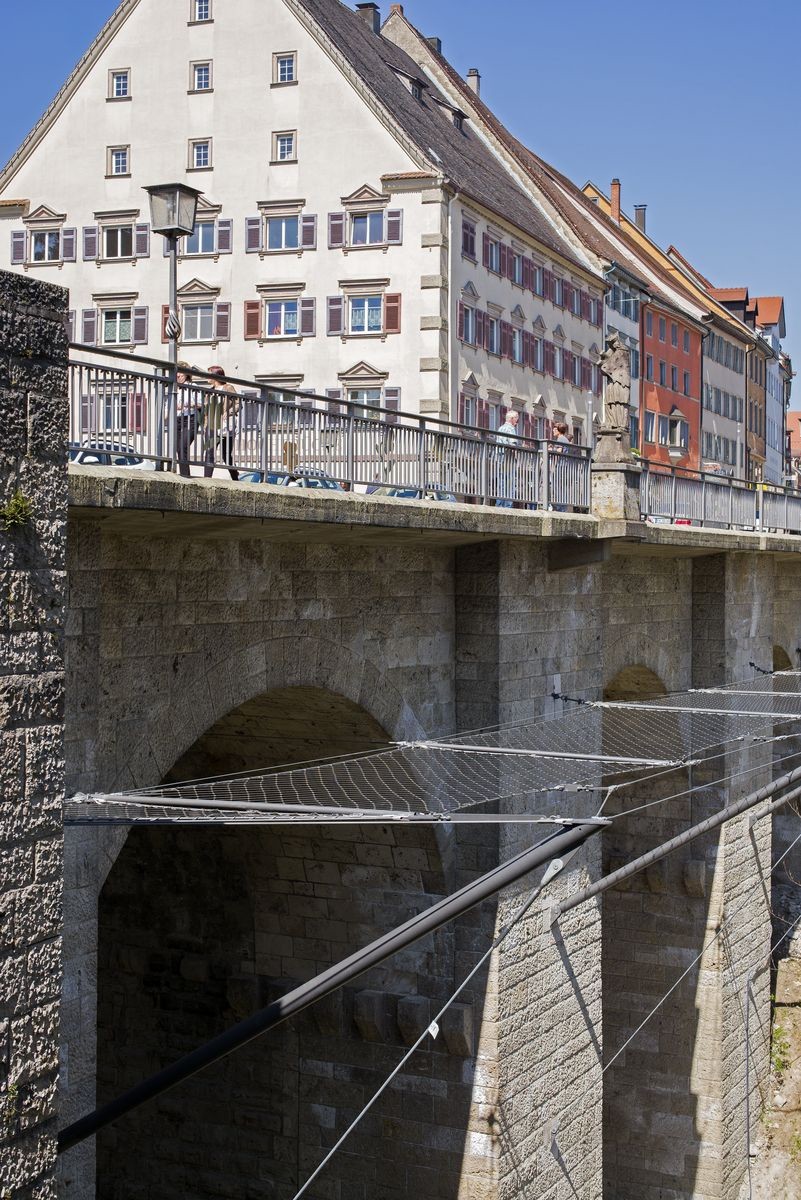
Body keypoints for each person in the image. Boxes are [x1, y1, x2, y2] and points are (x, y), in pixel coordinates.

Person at [202, 365, 240, 480]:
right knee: (209, 452)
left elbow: (238, 404)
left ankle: (235, 477)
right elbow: (206, 410)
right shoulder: (209, 391)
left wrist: (229, 412)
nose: (206, 377)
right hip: (211, 425)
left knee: (226, 455)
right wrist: (205, 424)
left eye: (208, 374)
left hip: (225, 425)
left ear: (215, 375)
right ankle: (207, 480)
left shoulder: (228, 388)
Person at [175, 361, 202, 478]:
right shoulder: (174, 387)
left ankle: (185, 476)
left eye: (180, 373)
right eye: (176, 373)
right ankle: (184, 474)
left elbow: (200, 403)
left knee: (183, 446)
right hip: (177, 419)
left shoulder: (193, 386)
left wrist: (187, 405)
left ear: (186, 374)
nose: (178, 376)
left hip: (191, 418)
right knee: (178, 448)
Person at [495, 408, 519, 507]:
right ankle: (508, 506)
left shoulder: (501, 428)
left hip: (500, 457)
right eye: (516, 418)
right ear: (512, 418)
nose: (517, 421)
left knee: (501, 482)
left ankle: (499, 505)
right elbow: (513, 444)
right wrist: (516, 458)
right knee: (510, 482)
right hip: (508, 458)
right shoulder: (511, 429)